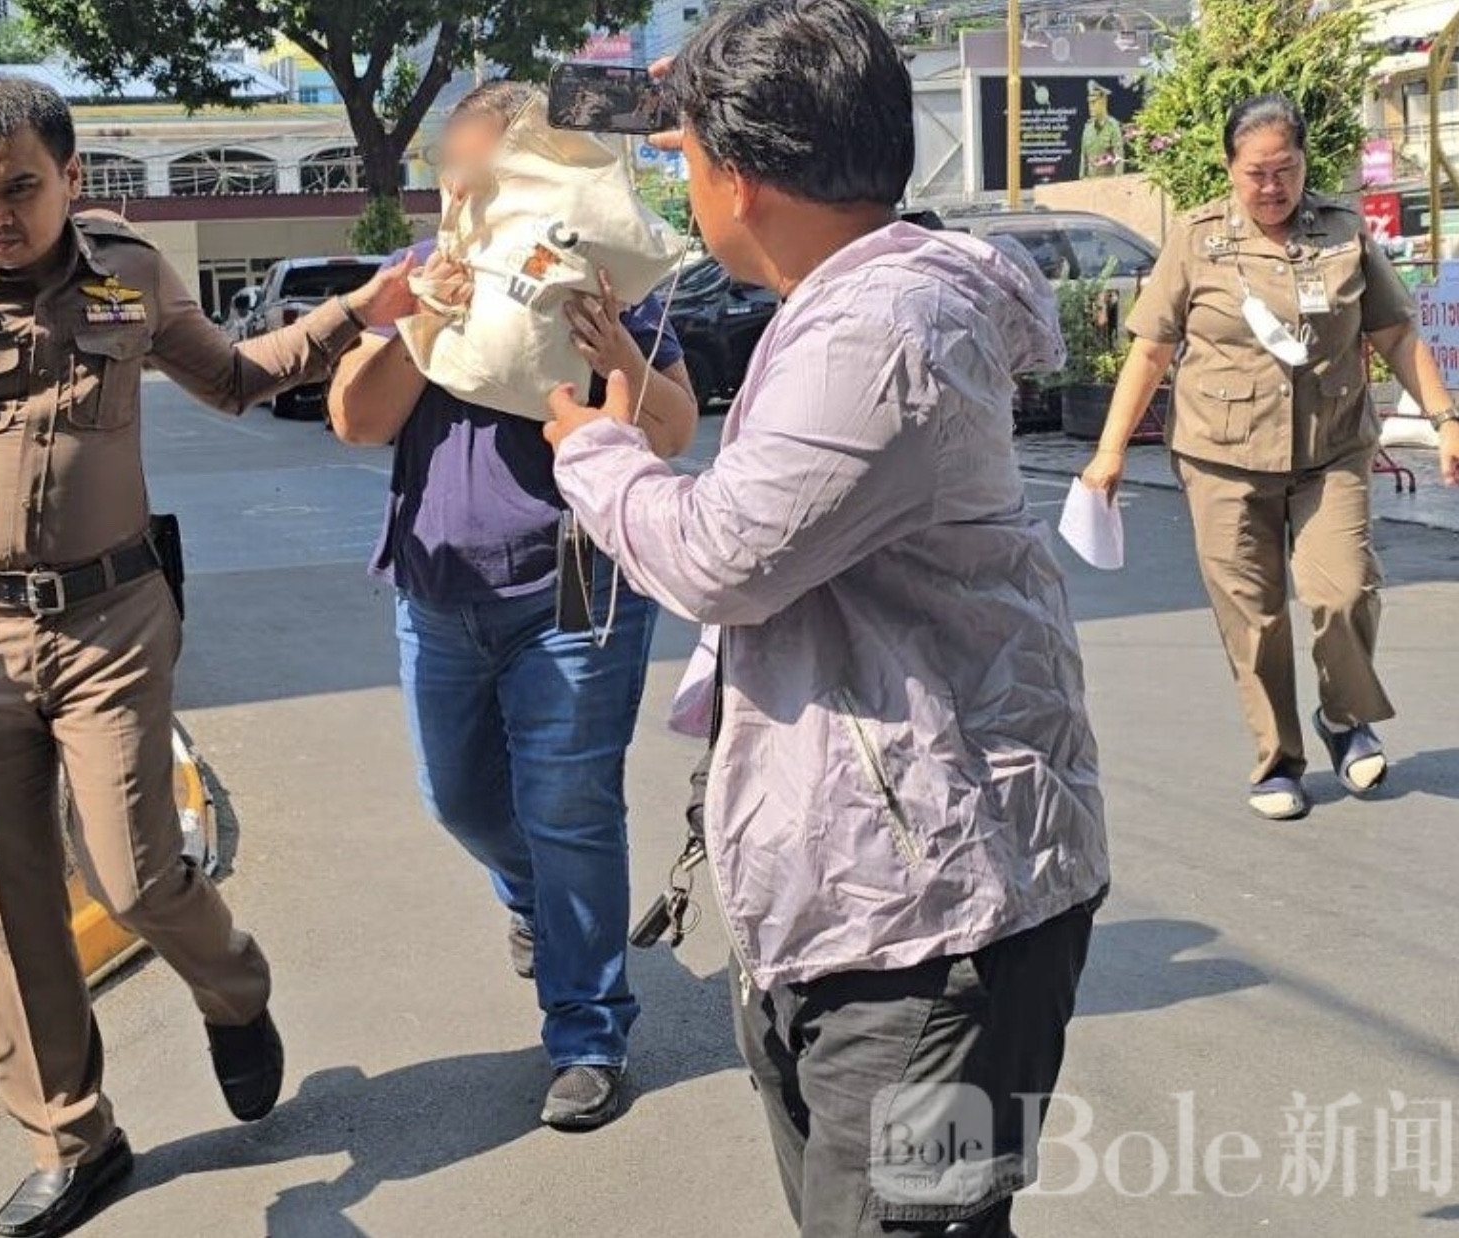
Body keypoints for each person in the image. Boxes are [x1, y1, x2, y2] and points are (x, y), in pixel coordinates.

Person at [0, 76, 415, 1238]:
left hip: (112, 620)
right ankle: (74, 1136)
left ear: (70, 177)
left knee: (134, 874)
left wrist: (357, 311)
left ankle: (234, 985)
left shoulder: (129, 272)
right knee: (10, 898)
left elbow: (234, 377)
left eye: (19, 187)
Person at [544, 1, 1111, 1232]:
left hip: (931, 926)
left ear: (739, 180)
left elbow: (718, 556)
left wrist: (591, 451)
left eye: (689, 155)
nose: (682, 180)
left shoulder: (877, 328)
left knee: (906, 1220)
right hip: (872, 892)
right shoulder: (855, 303)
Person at [326, 80, 698, 1131]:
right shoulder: (416, 271)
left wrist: (617, 349)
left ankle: (587, 1030)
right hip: (436, 585)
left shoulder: (595, 266)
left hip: (575, 582)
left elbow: (672, 429)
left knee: (569, 802)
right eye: (455, 165)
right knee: (458, 798)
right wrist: (418, 317)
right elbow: (355, 420)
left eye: (482, 162)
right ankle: (539, 898)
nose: (462, 181)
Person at [1083, 93, 1459, 822]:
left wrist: (1446, 419)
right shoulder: (1196, 241)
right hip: (1222, 459)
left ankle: (1344, 718)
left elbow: (1394, 333)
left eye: (1285, 169)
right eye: (1256, 173)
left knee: (1344, 591)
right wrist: (1109, 451)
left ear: (1305, 163)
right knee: (1252, 620)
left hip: (1331, 450)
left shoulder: (1344, 232)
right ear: (1230, 169)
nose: (1272, 186)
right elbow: (1151, 349)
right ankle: (1278, 760)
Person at [1079, 81, 1125, 179]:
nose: (1090, 107)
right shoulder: (1087, 128)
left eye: (1094, 103)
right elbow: (1084, 158)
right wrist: (1082, 179)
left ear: (1103, 102)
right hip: (1090, 183)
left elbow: (1118, 158)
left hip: (1108, 182)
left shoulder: (1112, 126)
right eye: (1089, 103)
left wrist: (1118, 180)